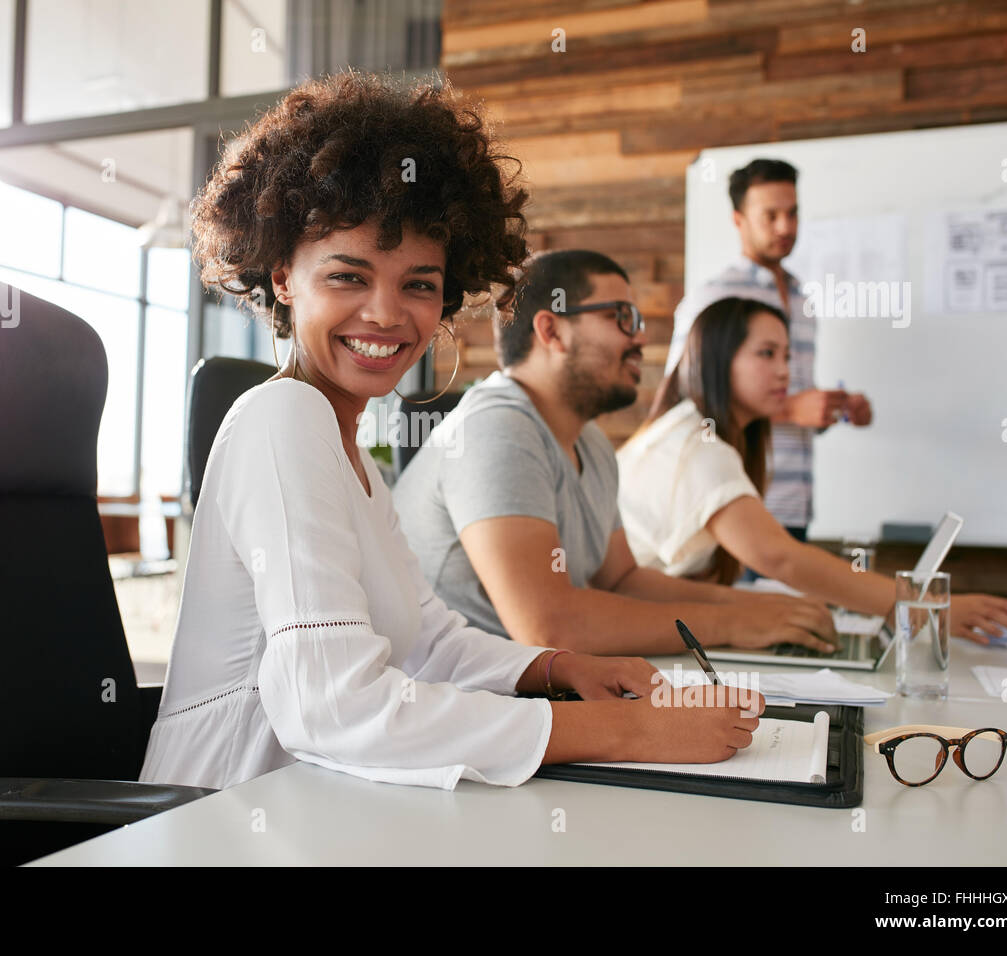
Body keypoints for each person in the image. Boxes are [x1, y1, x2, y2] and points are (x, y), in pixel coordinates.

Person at [139, 72, 763, 794]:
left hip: (322, 803)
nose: (386, 314)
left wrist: (556, 668)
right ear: (283, 277)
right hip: (226, 818)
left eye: (419, 285)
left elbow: (427, 637)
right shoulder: (284, 418)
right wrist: (630, 731)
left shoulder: (352, 451)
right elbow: (332, 706)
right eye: (348, 276)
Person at [392, 248, 837, 656]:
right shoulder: (496, 428)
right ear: (552, 330)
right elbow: (549, 627)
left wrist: (761, 609)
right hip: (458, 710)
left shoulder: (591, 444)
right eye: (621, 317)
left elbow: (622, 582)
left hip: (528, 696)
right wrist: (734, 621)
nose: (640, 339)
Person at [620, 296, 1007, 643]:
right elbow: (781, 559)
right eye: (766, 353)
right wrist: (920, 605)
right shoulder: (699, 446)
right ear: (718, 359)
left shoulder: (692, 430)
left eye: (787, 356)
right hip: (622, 630)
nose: (784, 371)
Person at [664, 158, 871, 545]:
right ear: (738, 219)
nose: (786, 227)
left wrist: (832, 410)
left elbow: (781, 395)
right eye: (770, 215)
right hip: (734, 502)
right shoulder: (715, 297)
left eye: (793, 213)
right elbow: (683, 399)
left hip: (795, 506)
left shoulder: (801, 297)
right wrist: (791, 409)